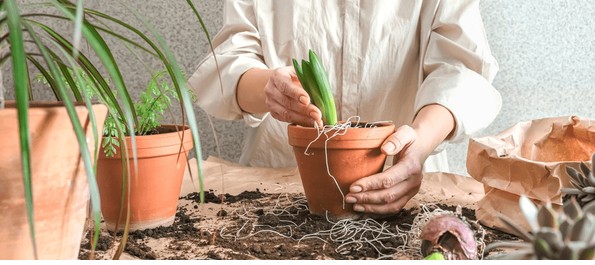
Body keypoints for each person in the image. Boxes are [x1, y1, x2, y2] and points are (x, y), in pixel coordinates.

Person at [188, 0, 501, 215]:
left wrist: (420, 142)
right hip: (277, 186)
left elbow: (461, 68)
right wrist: (267, 88)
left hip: (400, 175)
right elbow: (229, 59)